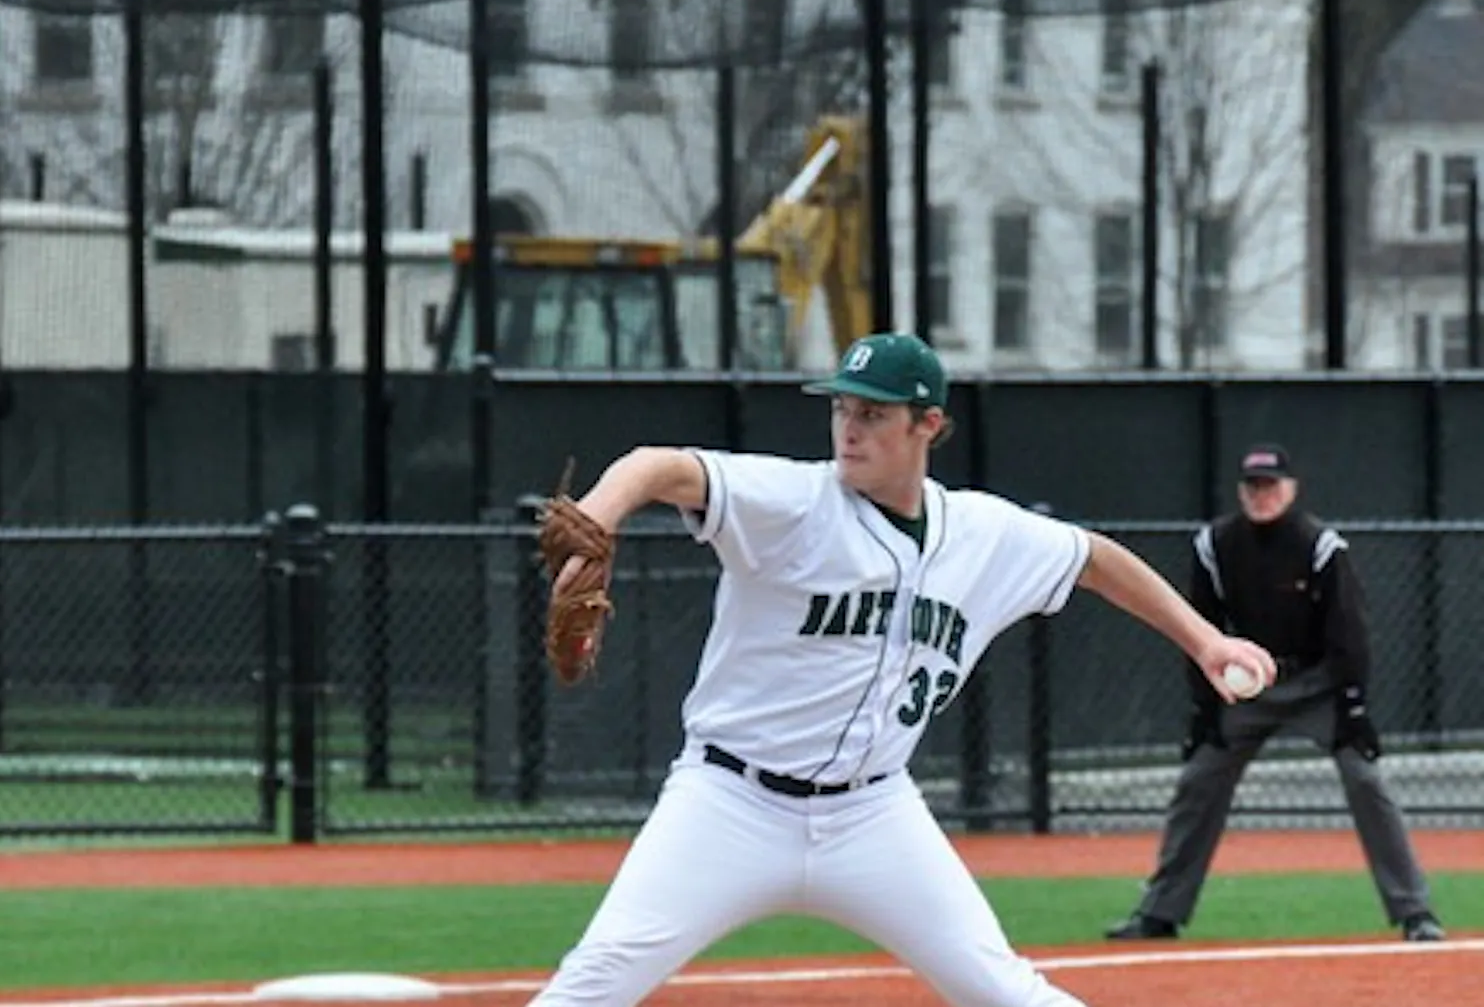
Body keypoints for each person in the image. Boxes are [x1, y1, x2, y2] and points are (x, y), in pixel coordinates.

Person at [529, 333, 1277, 1007]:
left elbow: (1095, 560)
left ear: (929, 425)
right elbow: (659, 466)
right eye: (843, 409)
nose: (849, 428)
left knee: (1004, 990)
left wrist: (1207, 640)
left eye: (874, 414)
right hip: (730, 801)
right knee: (594, 980)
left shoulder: (983, 532)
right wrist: (600, 513)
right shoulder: (794, 503)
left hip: (872, 815)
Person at [1105, 443, 1446, 945]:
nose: (1262, 494)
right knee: (1199, 781)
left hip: (1317, 682)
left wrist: (1352, 707)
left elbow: (1349, 634)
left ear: (1291, 488)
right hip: (1248, 681)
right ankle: (1160, 912)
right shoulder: (1216, 544)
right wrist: (1206, 707)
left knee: (1366, 780)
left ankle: (1415, 912)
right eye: (1253, 486)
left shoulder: (1321, 545)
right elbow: (1200, 625)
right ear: (1242, 491)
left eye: (1271, 485)